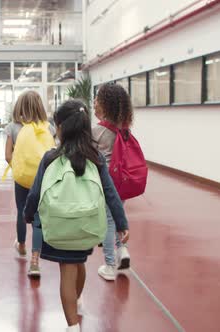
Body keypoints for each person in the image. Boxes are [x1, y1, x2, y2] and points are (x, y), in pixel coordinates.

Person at [24, 100, 130, 331]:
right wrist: (121, 223)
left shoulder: (51, 158)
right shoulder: (96, 158)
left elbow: (35, 192)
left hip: (59, 225)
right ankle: (77, 299)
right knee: (78, 263)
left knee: (67, 272)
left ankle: (73, 326)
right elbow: (111, 192)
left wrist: (28, 215)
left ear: (60, 128)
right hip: (86, 225)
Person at [4, 90, 55, 277]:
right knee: (38, 215)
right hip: (42, 178)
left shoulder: (13, 127)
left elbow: (7, 155)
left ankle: (22, 244)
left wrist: (18, 168)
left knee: (21, 210)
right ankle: (35, 260)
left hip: (22, 178)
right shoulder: (48, 128)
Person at [93, 83, 134, 281]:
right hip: (123, 181)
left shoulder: (97, 131)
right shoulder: (124, 130)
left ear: (104, 105)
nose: (94, 103)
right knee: (119, 216)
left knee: (107, 222)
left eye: (97, 99)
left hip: (106, 181)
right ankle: (123, 250)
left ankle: (110, 265)